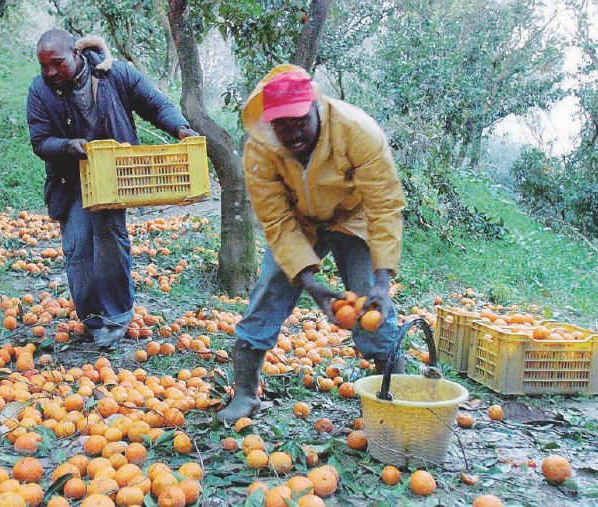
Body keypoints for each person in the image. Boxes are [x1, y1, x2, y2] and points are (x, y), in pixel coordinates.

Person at [217, 65, 406, 422]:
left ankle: (393, 392)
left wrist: (383, 282)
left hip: (352, 216)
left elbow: (384, 207)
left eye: (300, 121)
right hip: (298, 221)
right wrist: (310, 284)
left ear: (315, 107)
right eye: (282, 125)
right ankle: (244, 393)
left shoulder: (357, 131)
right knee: (271, 287)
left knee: (369, 299)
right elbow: (275, 218)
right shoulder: (260, 149)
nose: (292, 133)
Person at [27, 29, 197, 348]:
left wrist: (180, 127)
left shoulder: (113, 74)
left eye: (57, 63)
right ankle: (92, 319)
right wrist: (67, 146)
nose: (50, 72)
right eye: (44, 66)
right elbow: (39, 140)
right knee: (78, 248)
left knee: (108, 242)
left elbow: (155, 105)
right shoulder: (40, 90)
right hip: (71, 179)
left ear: (76, 54)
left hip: (112, 175)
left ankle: (117, 316)